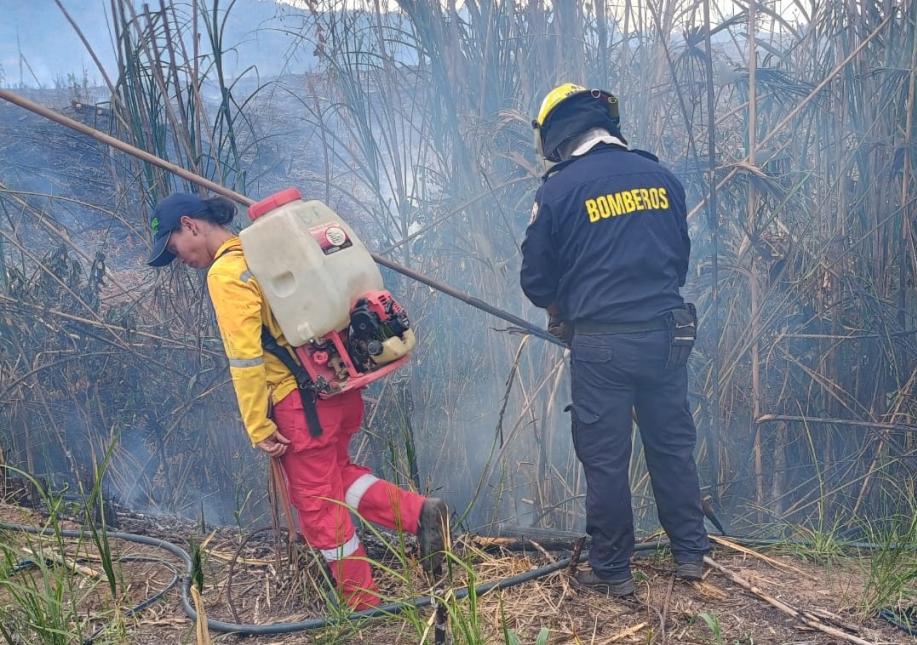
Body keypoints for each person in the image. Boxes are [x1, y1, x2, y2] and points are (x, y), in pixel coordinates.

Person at [146, 193, 448, 609]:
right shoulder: (266, 253)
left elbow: (246, 357)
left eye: (173, 246)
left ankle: (362, 606)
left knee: (317, 505)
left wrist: (258, 425)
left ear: (191, 225)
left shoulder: (228, 272)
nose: (178, 258)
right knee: (338, 477)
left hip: (299, 405)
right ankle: (419, 515)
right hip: (339, 390)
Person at [520, 83, 710, 596]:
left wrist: (563, 313)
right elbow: (679, 261)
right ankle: (691, 554)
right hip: (670, 336)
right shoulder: (662, 177)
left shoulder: (558, 190)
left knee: (605, 458)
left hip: (602, 344)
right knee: (671, 446)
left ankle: (612, 570)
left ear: (557, 134)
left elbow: (536, 282)